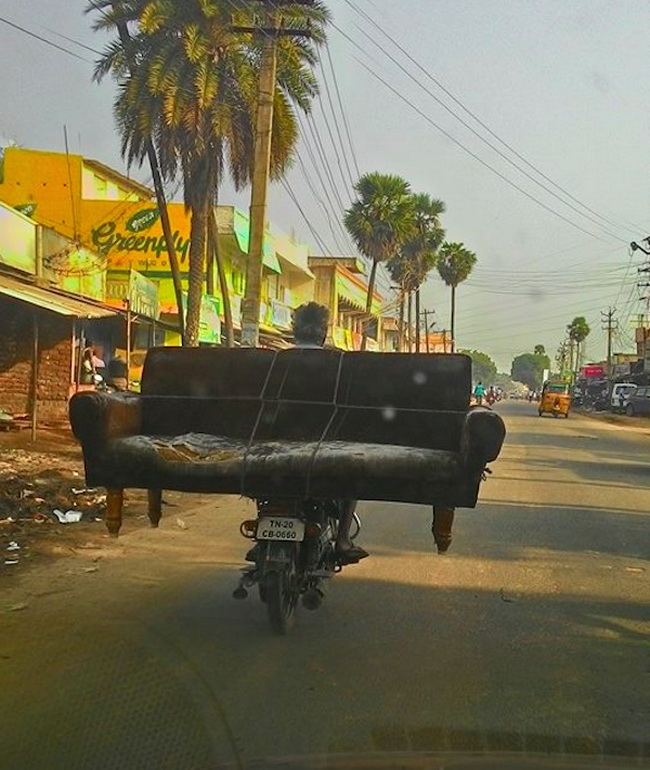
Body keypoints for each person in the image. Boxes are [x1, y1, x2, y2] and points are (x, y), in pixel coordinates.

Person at [292, 302, 369, 565]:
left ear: (294, 332)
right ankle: (343, 539)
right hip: (326, 443)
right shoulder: (339, 362)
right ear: (323, 333)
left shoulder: (276, 360)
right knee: (351, 480)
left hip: (276, 442)